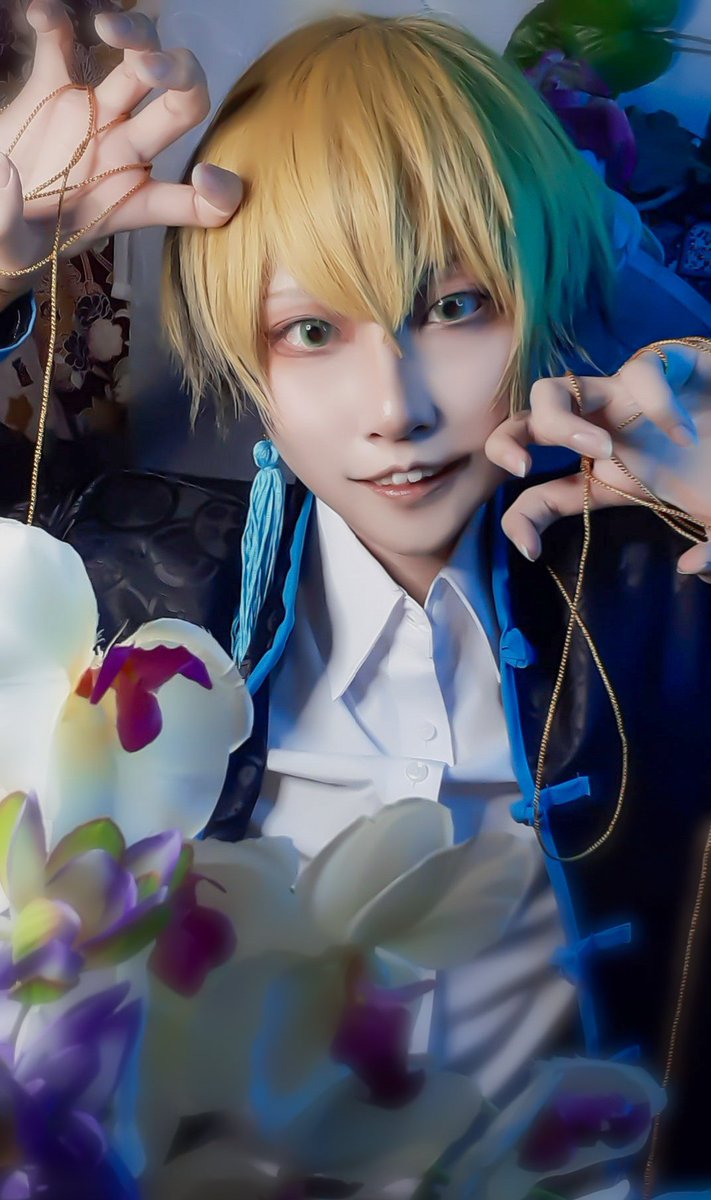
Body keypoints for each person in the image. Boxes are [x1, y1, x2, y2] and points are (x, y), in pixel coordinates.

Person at [1, 3, 711, 1195]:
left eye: (456, 307)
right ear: (243, 353)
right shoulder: (119, 569)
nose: (397, 409)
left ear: (541, 297)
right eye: (312, 329)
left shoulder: (668, 605)